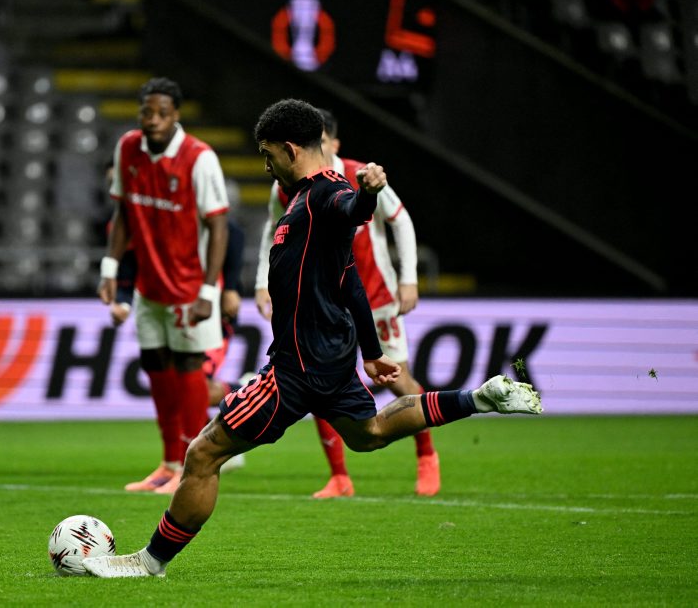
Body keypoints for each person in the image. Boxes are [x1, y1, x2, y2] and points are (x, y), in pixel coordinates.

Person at [81, 99, 541, 578]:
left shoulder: (325, 194)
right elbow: (350, 281)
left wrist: (368, 196)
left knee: (202, 454)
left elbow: (352, 209)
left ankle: (149, 562)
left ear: (290, 149)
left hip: (295, 368)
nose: (266, 166)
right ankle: (479, 398)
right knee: (369, 434)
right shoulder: (305, 197)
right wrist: (372, 353)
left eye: (268, 155)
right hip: (332, 357)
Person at [254, 108, 440, 498]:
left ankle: (426, 453)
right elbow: (273, 231)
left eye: (325, 140)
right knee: (319, 382)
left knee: (397, 379)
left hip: (375, 296)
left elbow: (397, 219)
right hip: (326, 302)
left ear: (332, 142)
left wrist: (408, 278)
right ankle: (339, 476)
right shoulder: (287, 186)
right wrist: (262, 282)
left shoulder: (356, 174)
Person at [97, 77, 230, 495]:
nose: (153, 120)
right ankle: (169, 462)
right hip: (149, 286)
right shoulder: (127, 148)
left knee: (189, 369)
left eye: (162, 113)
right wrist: (110, 268)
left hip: (190, 287)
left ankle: (192, 465)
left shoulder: (199, 158)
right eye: (147, 112)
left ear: (176, 116)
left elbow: (219, 226)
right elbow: (123, 213)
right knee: (157, 369)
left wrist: (209, 291)